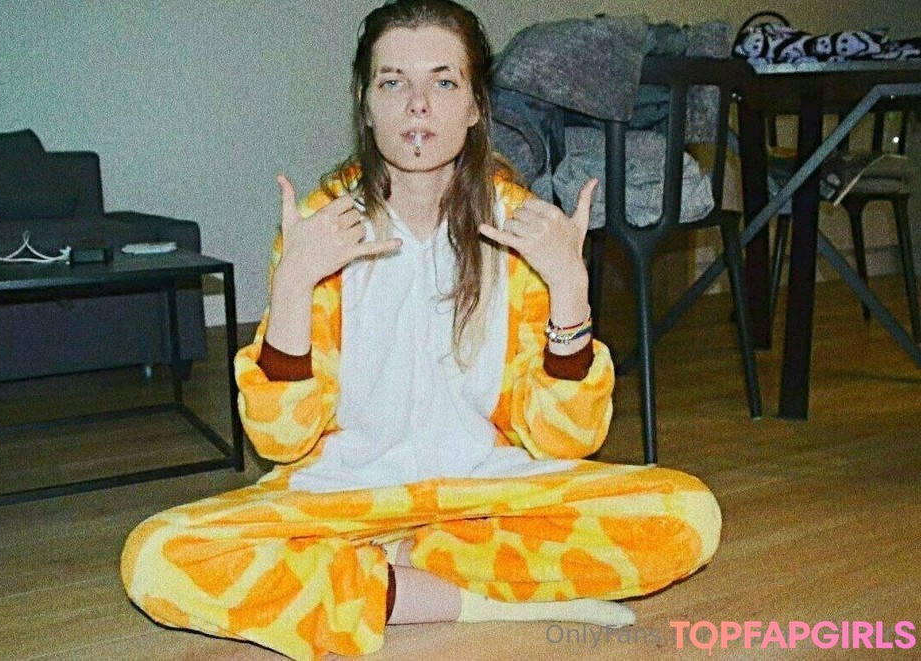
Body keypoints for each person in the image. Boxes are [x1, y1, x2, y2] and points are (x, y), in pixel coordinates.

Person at [121, 1, 720, 659]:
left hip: (485, 490)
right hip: (344, 494)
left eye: (443, 81)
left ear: (475, 105)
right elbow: (280, 438)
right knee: (156, 557)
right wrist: (293, 283)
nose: (417, 105)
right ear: (365, 102)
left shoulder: (522, 225)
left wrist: (570, 292)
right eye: (392, 82)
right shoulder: (322, 225)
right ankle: (474, 598)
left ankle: (392, 572)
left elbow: (566, 438)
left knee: (687, 516)